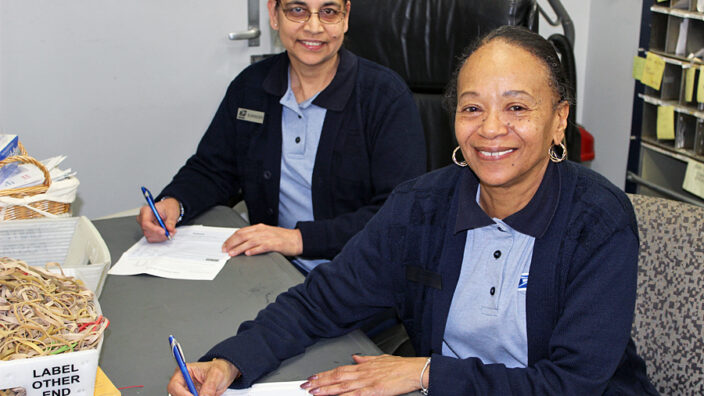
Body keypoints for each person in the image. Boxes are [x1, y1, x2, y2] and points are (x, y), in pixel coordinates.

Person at [167, 26, 658, 396]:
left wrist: (426, 372)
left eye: (516, 108)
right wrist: (230, 361)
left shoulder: (597, 221)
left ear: (559, 121)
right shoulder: (421, 206)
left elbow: (571, 385)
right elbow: (323, 301)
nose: (490, 129)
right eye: (471, 108)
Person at [136, 0, 426, 273]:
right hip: (273, 271)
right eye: (298, 10)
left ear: (346, 16)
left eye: (328, 12)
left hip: (359, 278)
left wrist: (297, 239)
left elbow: (400, 213)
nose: (314, 27)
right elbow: (214, 168)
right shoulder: (251, 86)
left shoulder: (385, 97)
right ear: (274, 14)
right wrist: (175, 203)